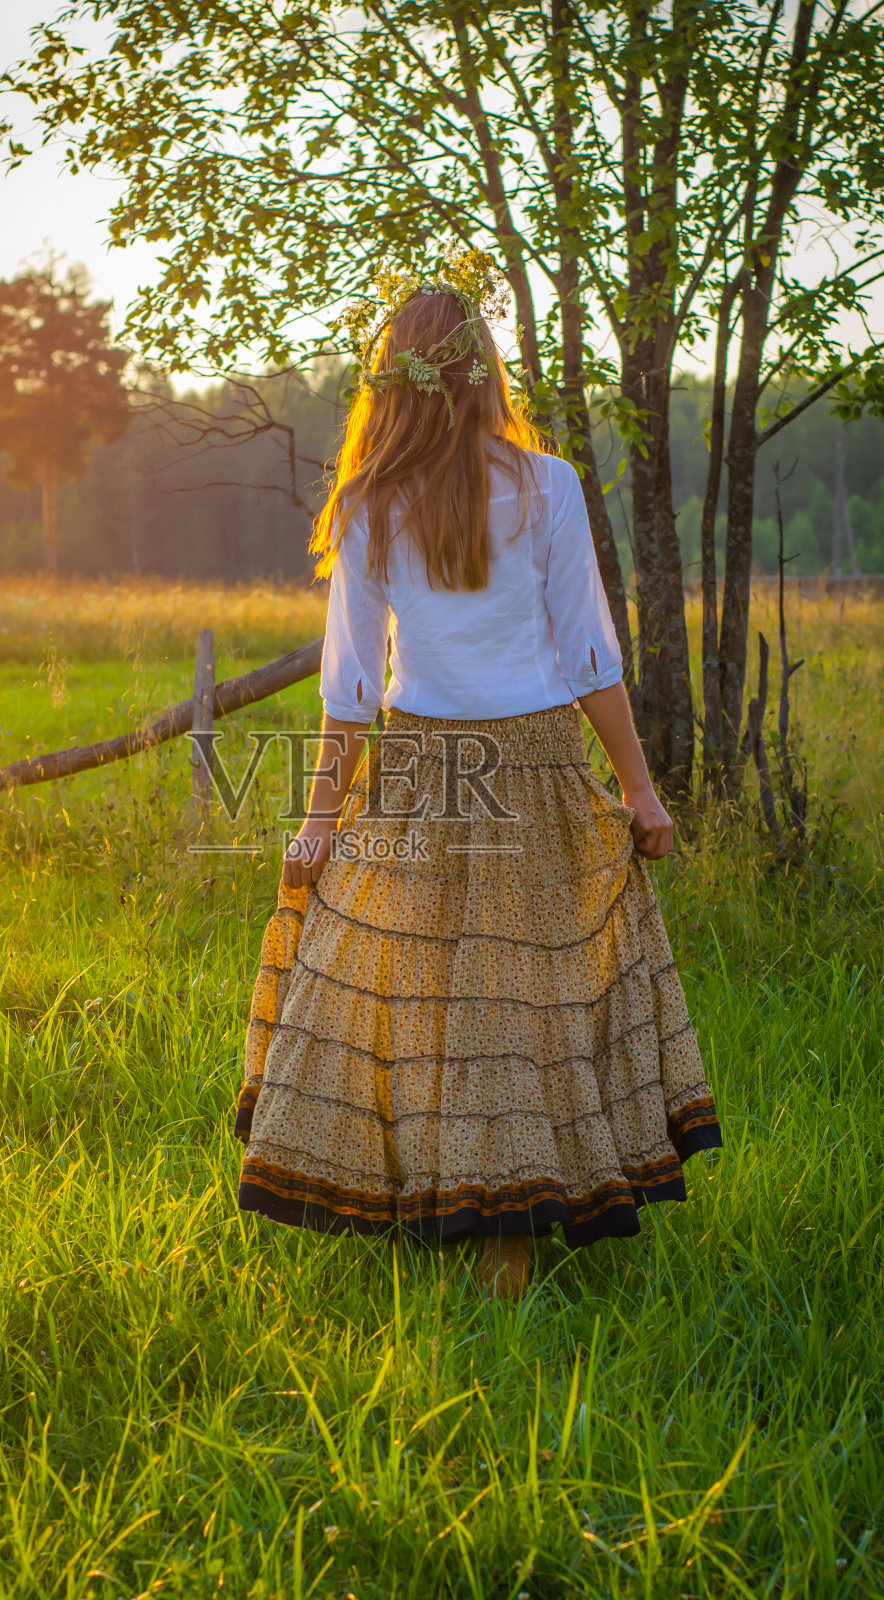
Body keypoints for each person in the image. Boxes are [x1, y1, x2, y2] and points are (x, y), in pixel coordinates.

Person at [232, 275, 722, 1300]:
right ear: (486, 373)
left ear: (394, 383)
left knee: (428, 995)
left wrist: (319, 820)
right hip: (536, 763)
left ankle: (472, 1213)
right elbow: (590, 656)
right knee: (522, 995)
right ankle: (502, 1228)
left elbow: (351, 694)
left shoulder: (368, 503)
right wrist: (640, 791)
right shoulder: (544, 487)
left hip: (421, 770)